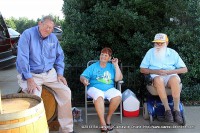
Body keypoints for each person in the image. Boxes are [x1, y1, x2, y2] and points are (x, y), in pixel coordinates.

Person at [16, 15, 75, 133]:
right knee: (35, 99)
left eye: (51, 28)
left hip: (50, 73)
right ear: (39, 23)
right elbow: (22, 58)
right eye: (46, 26)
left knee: (66, 92)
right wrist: (29, 79)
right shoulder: (27, 35)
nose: (48, 30)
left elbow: (60, 57)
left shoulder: (53, 38)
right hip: (31, 74)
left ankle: (67, 130)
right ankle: (38, 130)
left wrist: (59, 74)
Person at [140, 33, 188, 125]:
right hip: (155, 76)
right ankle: (167, 110)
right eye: (157, 43)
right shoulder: (150, 52)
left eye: (161, 43)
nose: (158, 45)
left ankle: (177, 110)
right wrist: (156, 71)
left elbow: (184, 69)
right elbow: (142, 69)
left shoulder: (173, 53)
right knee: (159, 80)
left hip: (170, 75)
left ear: (167, 42)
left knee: (174, 79)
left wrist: (170, 72)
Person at [80, 47, 123, 133]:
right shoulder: (93, 66)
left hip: (109, 89)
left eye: (105, 55)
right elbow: (82, 76)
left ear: (109, 58)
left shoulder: (111, 67)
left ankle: (108, 118)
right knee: (99, 96)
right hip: (94, 88)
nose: (103, 56)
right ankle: (103, 123)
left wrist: (116, 65)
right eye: (102, 54)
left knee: (118, 95)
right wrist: (84, 80)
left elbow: (118, 79)